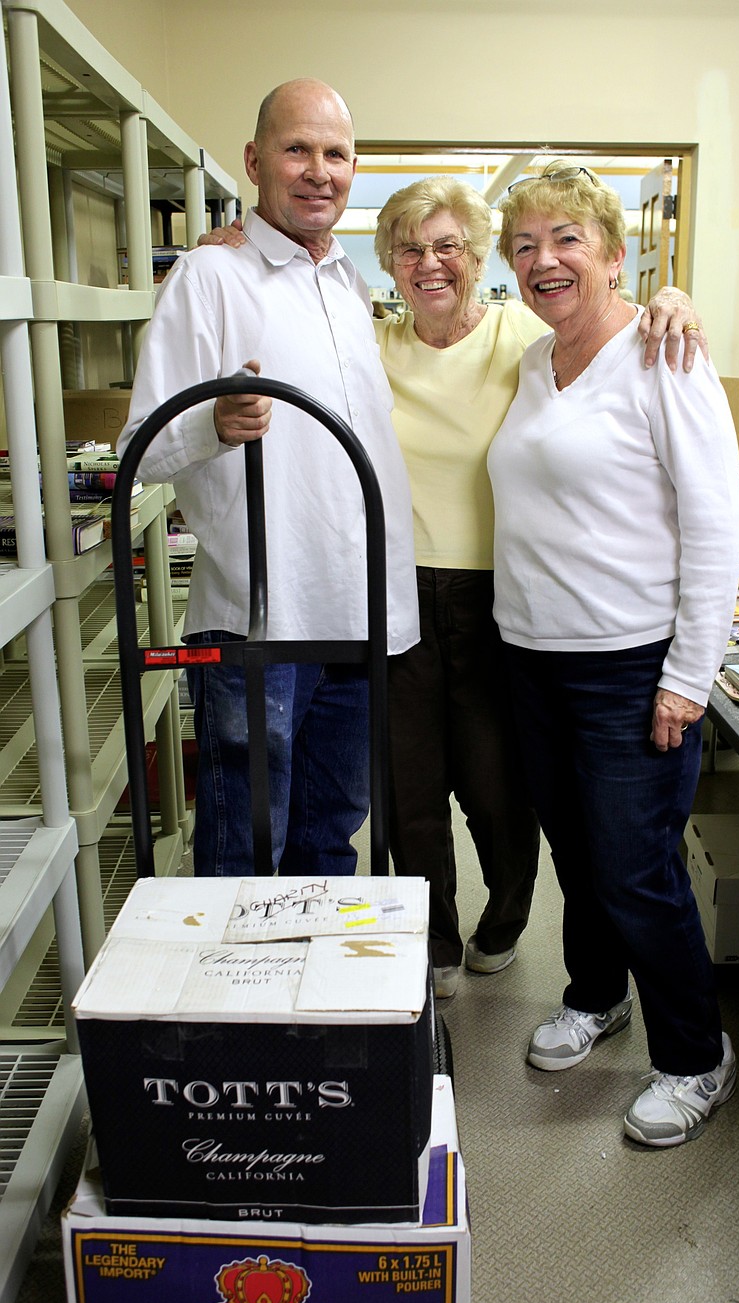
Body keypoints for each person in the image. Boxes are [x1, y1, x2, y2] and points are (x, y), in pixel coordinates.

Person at [200, 174, 708, 998]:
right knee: (406, 788)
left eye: (448, 248)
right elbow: (283, 314)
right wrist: (233, 245)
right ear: (390, 265)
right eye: (409, 249)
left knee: (499, 786)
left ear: (477, 259)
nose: (430, 265)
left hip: (499, 598)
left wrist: (672, 298)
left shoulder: (525, 339)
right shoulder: (368, 341)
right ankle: (428, 935)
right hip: (395, 593)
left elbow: (606, 323)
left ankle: (503, 920)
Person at [487, 162, 739, 1147]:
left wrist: (687, 674)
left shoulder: (661, 353)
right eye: (523, 245)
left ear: (613, 254)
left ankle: (696, 1057)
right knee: (577, 851)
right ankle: (597, 996)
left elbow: (716, 525)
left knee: (637, 868)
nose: (543, 260)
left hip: (628, 662)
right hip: (534, 656)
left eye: (565, 240)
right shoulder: (532, 361)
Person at [117, 79, 418, 878]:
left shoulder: (350, 288)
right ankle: (239, 1006)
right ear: (255, 162)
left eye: (336, 154)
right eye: (297, 150)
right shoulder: (209, 278)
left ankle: (309, 1005)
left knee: (329, 839)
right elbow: (137, 453)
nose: (319, 170)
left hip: (355, 616)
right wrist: (212, 423)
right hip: (261, 622)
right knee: (245, 852)